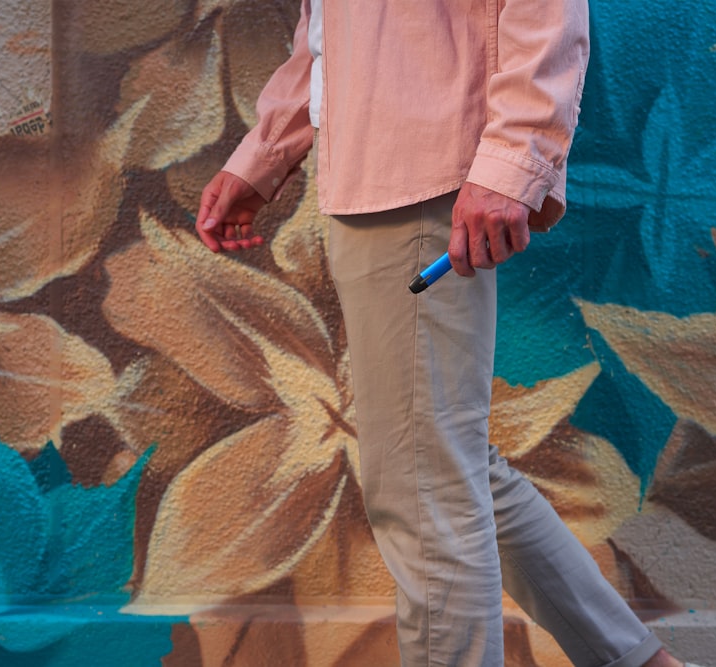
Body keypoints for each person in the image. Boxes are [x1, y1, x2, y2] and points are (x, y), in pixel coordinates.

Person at [195, 2, 690, 666]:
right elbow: (329, 28)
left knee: (426, 486)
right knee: (446, 468)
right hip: (369, 169)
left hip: (421, 171)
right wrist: (265, 150)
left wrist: (515, 157)